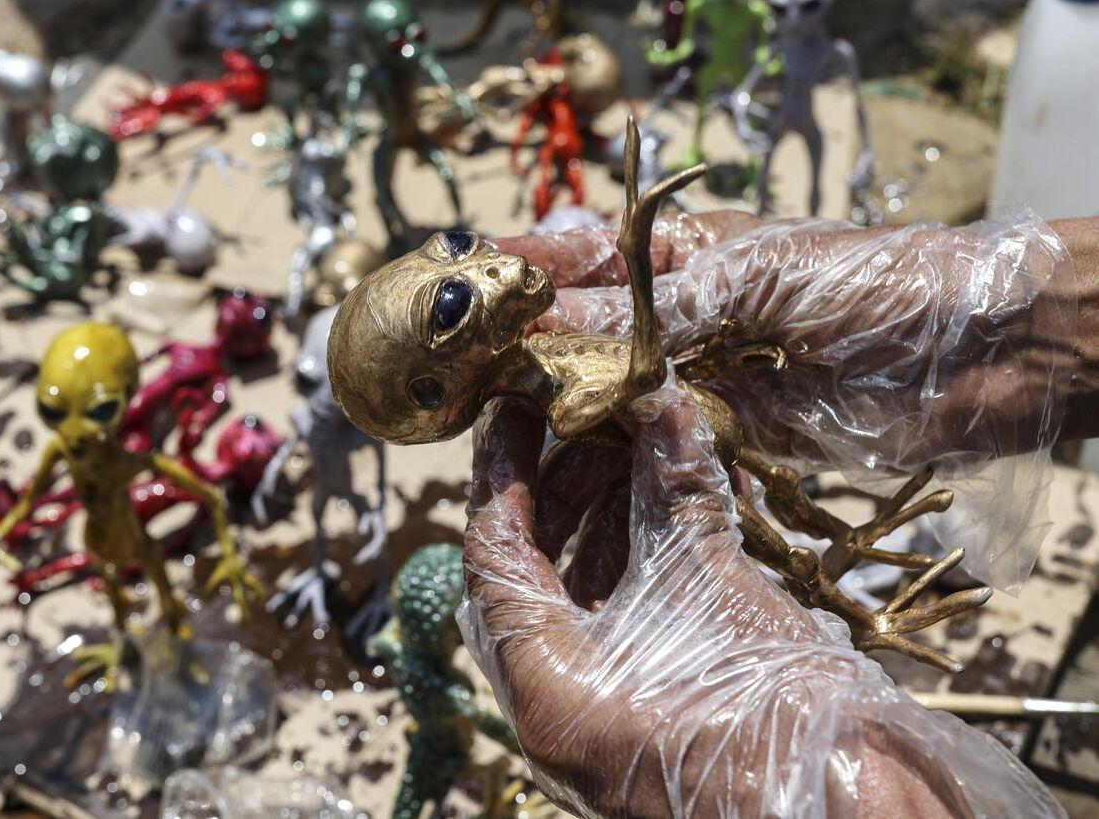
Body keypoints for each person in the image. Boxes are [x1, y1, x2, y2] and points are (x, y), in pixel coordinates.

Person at [457, 211, 1097, 816]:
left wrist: (805, 786)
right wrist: (997, 320)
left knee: (766, 518)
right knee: (766, 531)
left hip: (709, 419)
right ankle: (856, 609)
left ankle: (855, 612)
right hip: (707, 428)